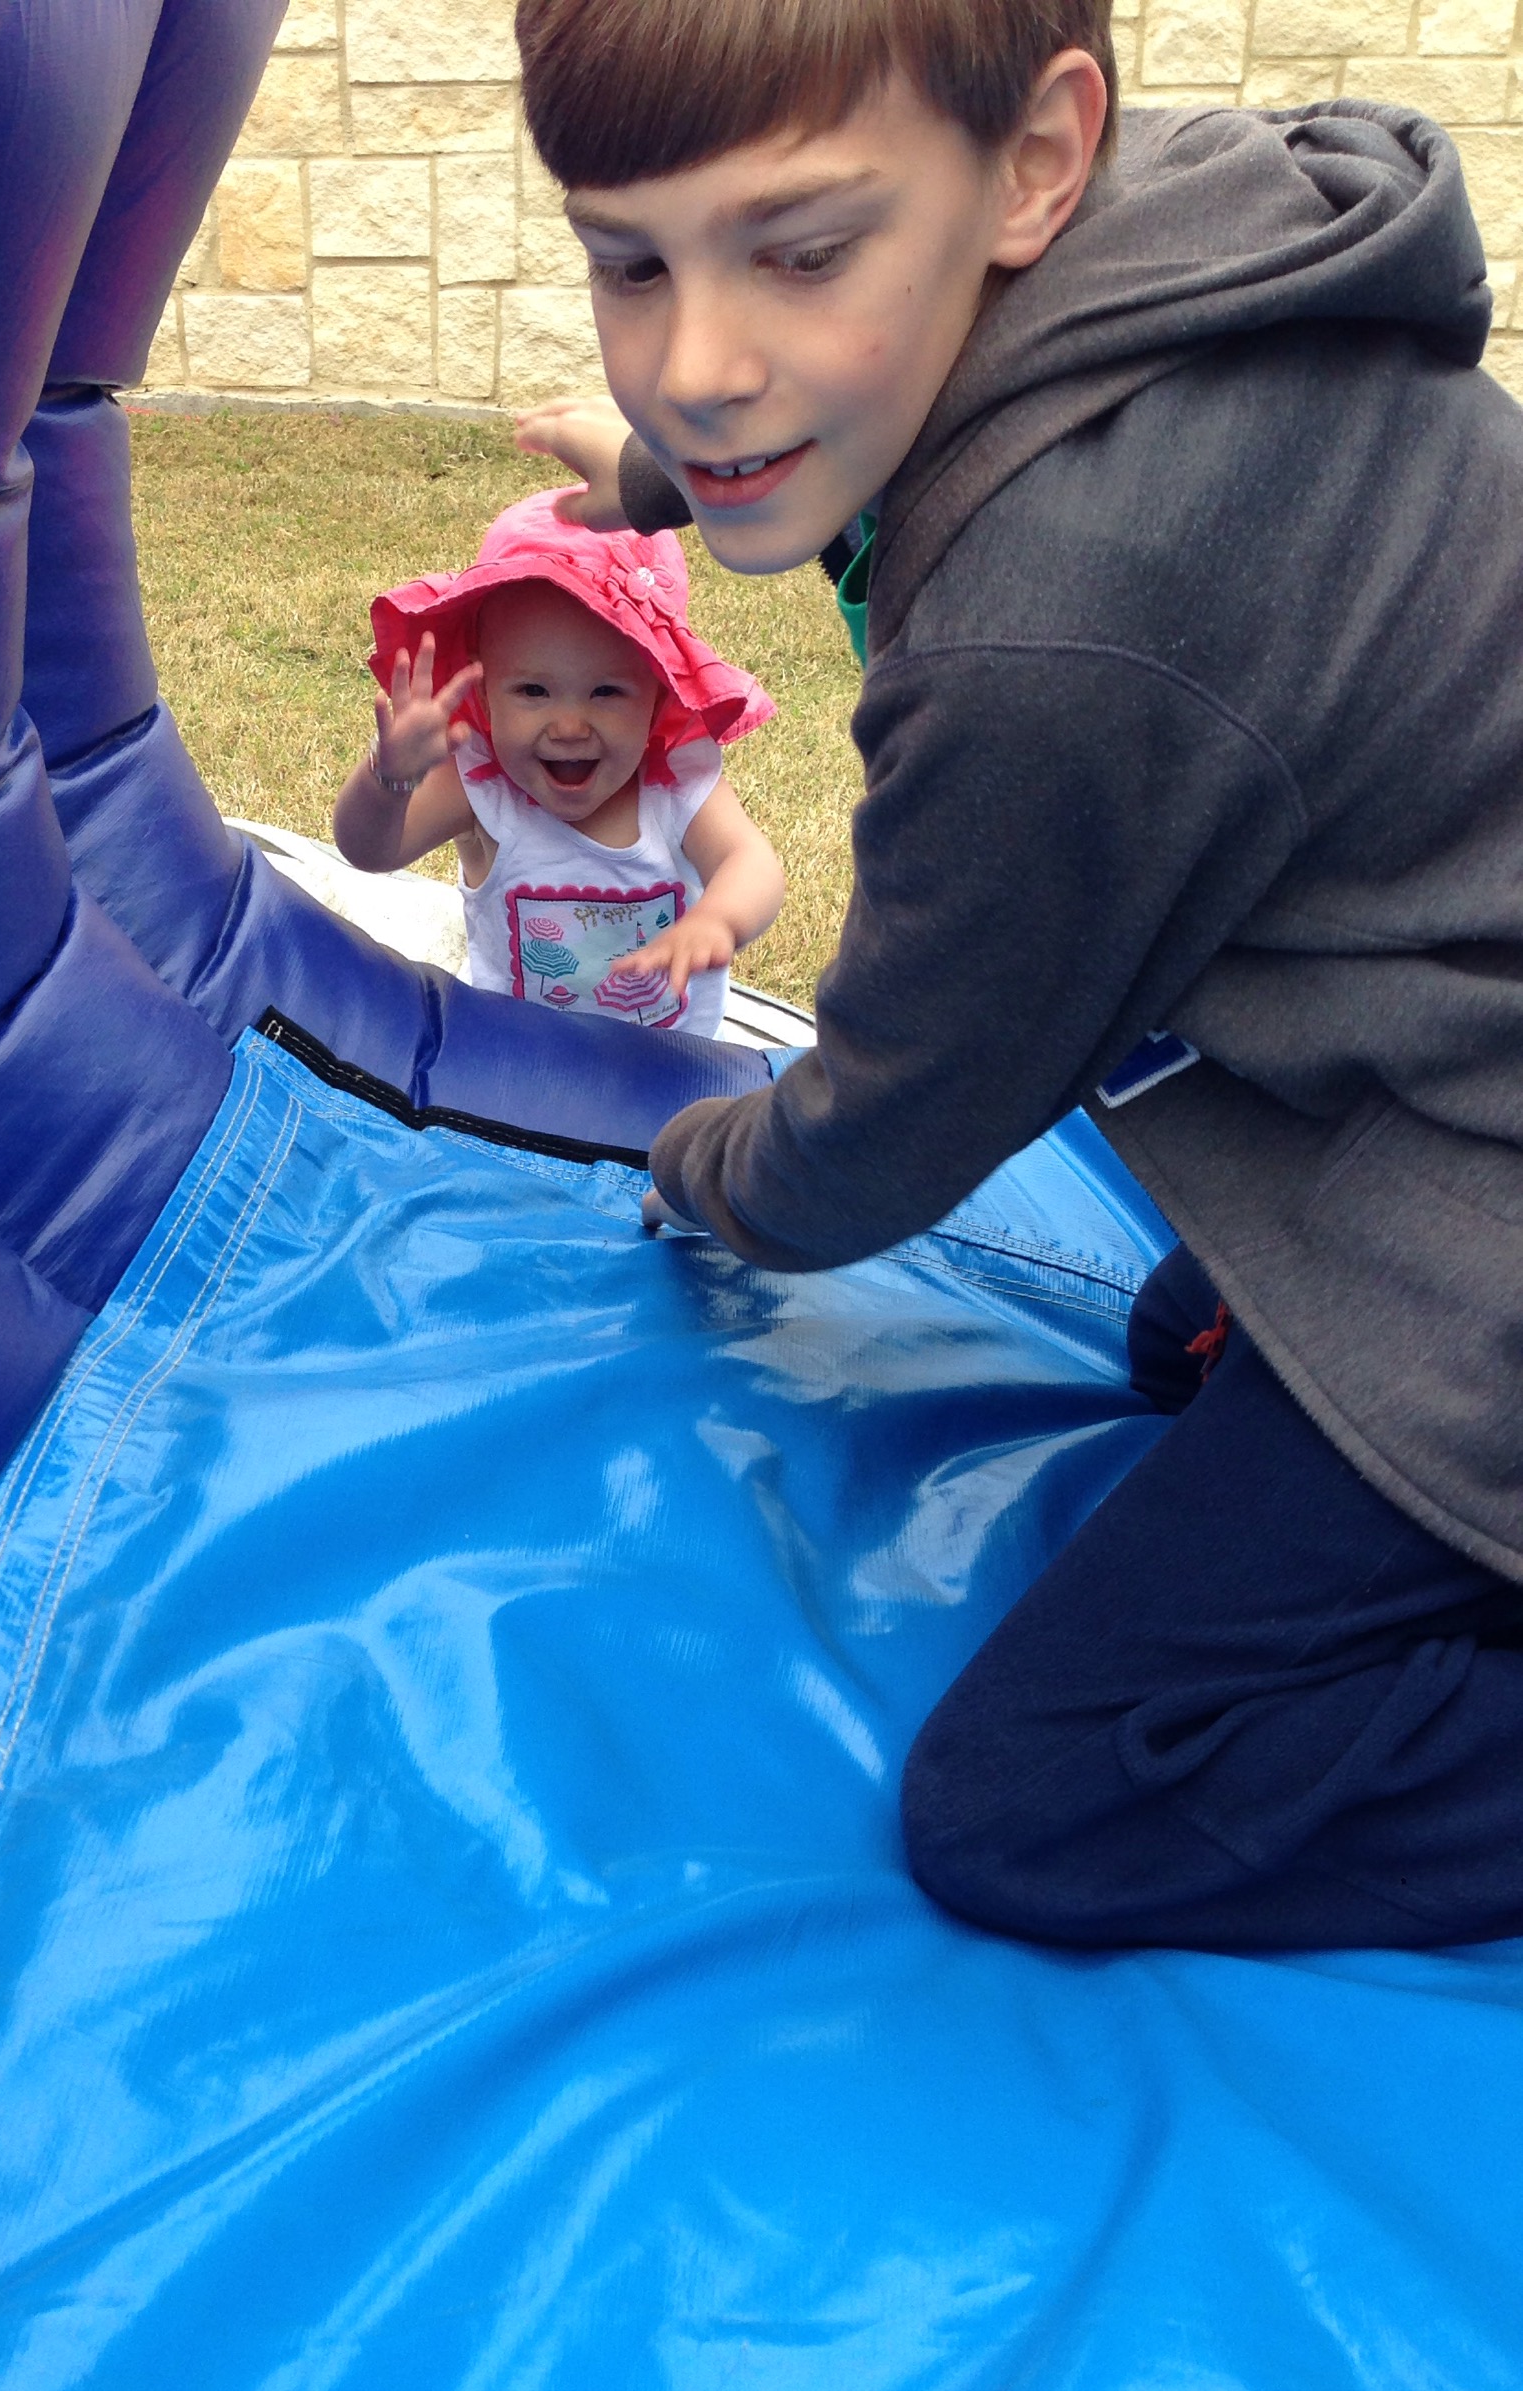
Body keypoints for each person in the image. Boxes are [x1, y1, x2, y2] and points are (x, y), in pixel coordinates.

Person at [509, 0, 1523, 1953]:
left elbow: (903, 1114)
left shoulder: (1061, 632)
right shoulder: (1178, 243)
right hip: (1445, 1055)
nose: (698, 366)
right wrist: (650, 475)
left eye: (800, 251)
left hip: (1480, 1173)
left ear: (1037, 161)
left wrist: (702, 1165)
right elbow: (828, 383)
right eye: (633, 263)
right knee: (1180, 1338)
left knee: (1045, 1805)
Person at [333, 492, 786, 1036]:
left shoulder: (673, 785)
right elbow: (369, 852)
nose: (569, 726)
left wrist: (718, 920)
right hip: (516, 1059)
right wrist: (389, 779)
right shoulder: (481, 786)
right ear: (486, 695)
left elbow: (751, 862)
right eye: (533, 691)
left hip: (665, 1064)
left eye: (606, 692)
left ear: (659, 696)